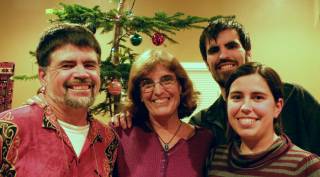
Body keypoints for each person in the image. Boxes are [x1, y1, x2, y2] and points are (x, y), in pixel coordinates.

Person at [189, 16, 320, 155]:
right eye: (214, 50)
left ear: (248, 52)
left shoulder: (294, 97)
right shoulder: (202, 124)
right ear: (206, 63)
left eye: (231, 46)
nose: (223, 55)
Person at [0, 23, 118, 177]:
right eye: (67, 65)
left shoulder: (109, 139)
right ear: (43, 76)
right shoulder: (7, 129)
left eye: (89, 65)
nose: (82, 74)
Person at [207, 62, 320, 176]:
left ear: (278, 106)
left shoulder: (308, 167)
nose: (245, 107)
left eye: (258, 97)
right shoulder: (214, 159)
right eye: (237, 97)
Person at [113, 49, 214, 177]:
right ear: (139, 94)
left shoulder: (205, 141)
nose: (158, 91)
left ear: (180, 87)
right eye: (147, 84)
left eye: (167, 80)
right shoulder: (121, 134)